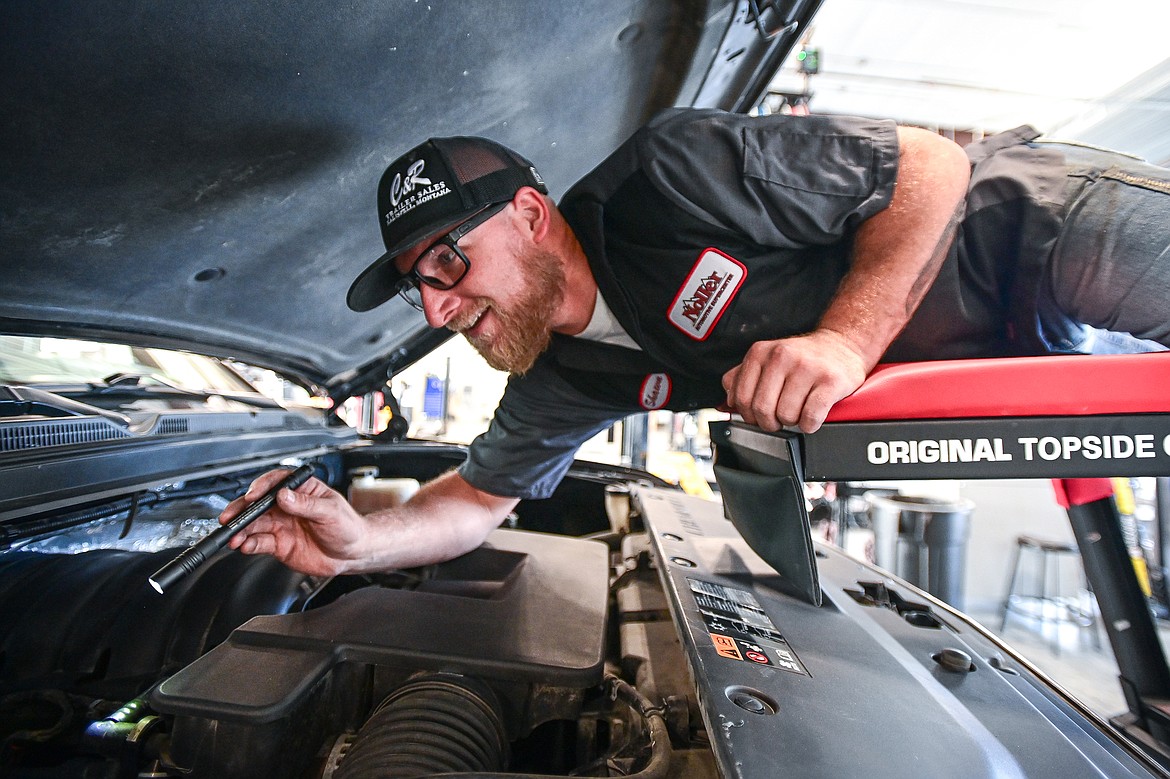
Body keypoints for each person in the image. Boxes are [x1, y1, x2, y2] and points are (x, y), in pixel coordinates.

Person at [220, 107, 1170, 576]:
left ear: (530, 213)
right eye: (415, 290)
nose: (434, 311)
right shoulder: (567, 372)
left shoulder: (667, 180)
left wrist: (841, 343)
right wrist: (355, 542)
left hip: (1032, 229)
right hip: (1002, 351)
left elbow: (932, 165)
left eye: (446, 266)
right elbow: (475, 499)